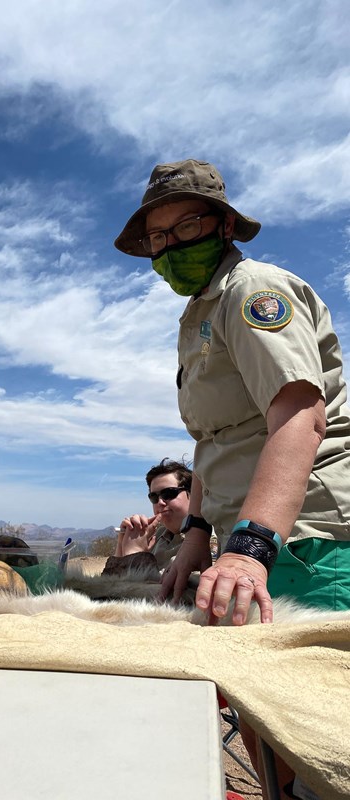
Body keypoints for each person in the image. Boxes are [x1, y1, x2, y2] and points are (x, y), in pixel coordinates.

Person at [115, 158, 350, 798]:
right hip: (250, 531)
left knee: (322, 727)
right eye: (157, 239)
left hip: (305, 534)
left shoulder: (253, 293)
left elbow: (299, 416)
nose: (169, 248)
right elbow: (216, 444)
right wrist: (197, 533)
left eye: (183, 228)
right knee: (256, 703)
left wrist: (249, 551)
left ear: (221, 226)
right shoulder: (198, 317)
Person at [105, 459, 193, 576]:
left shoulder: (205, 541)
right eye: (154, 497)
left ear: (193, 495)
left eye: (169, 493)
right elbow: (110, 586)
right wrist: (122, 547)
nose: (160, 502)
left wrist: (134, 553)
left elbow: (172, 591)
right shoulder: (156, 538)